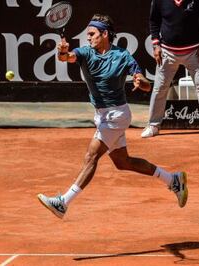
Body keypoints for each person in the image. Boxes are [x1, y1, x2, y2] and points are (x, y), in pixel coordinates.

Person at [37, 14, 188, 219]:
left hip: (117, 115)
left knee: (91, 156)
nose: (88, 38)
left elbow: (143, 81)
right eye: (87, 35)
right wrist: (62, 52)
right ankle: (173, 180)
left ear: (105, 34)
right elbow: (67, 57)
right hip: (101, 115)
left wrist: (140, 82)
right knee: (123, 162)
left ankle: (64, 202)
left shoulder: (122, 56)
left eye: (92, 34)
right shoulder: (85, 53)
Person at [141, 0, 199, 138]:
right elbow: (154, 21)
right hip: (167, 53)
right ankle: (153, 125)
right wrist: (156, 44)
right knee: (159, 89)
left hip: (194, 52)